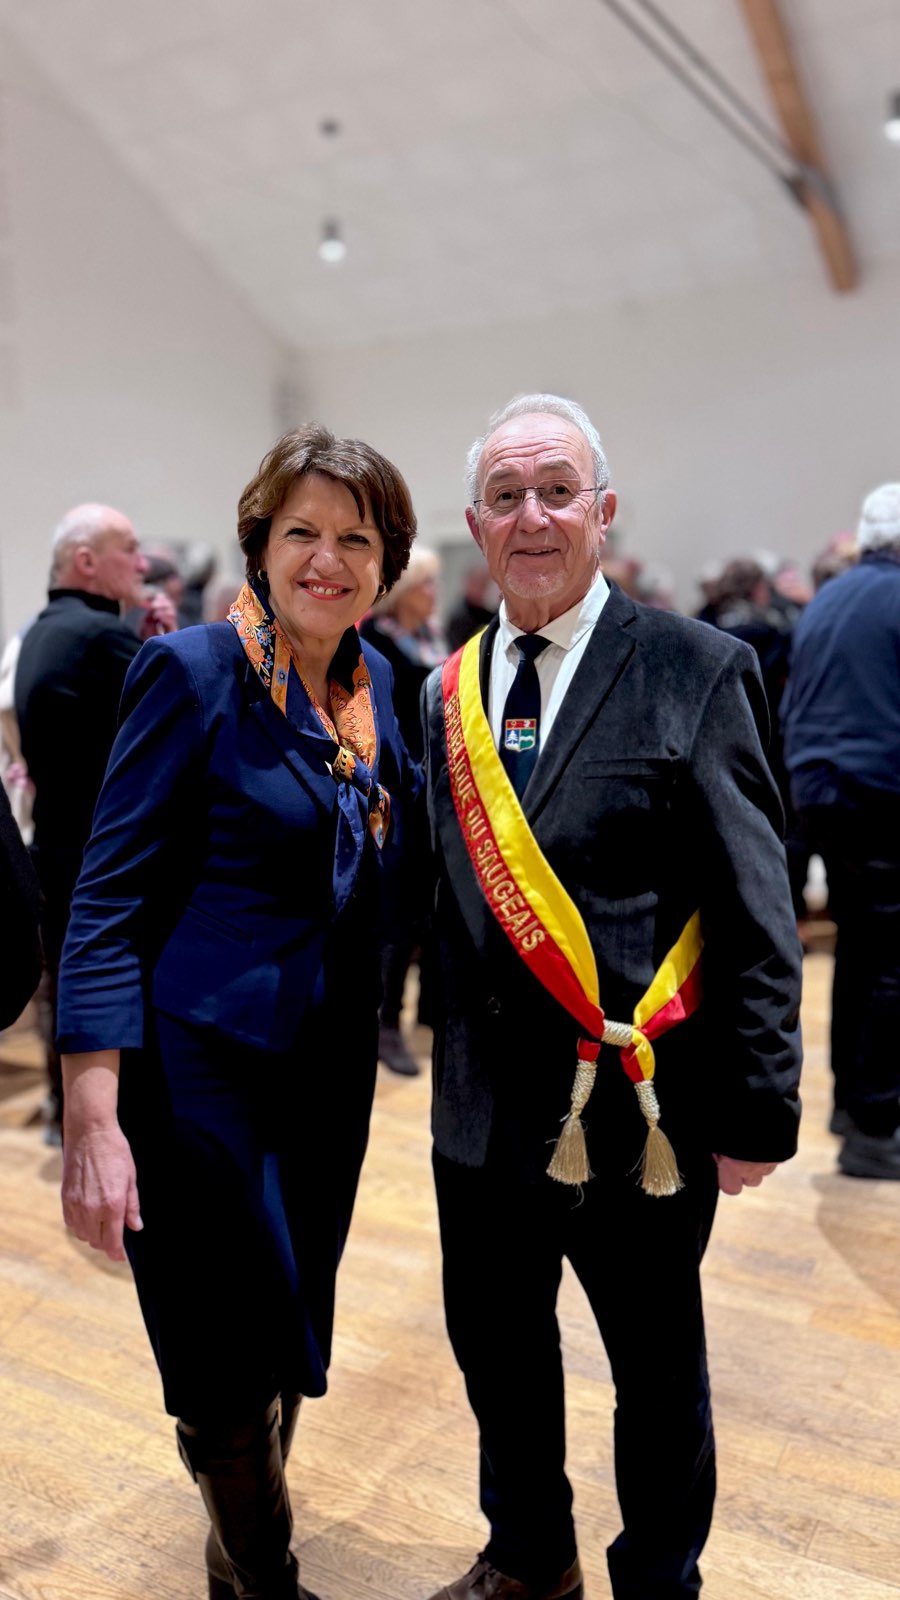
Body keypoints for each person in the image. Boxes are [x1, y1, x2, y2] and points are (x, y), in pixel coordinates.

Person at [422, 394, 802, 1600]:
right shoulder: (447, 691)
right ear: (476, 524)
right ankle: (529, 1555)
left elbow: (757, 905)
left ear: (604, 511)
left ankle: (659, 1577)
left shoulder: (698, 665)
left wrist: (758, 1104)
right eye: (506, 496)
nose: (532, 517)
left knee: (655, 1371)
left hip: (636, 1112)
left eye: (557, 490)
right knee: (498, 1352)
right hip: (481, 1110)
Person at [56, 427, 418, 1600]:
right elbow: (106, 895)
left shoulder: (378, 688)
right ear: (260, 543)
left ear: (387, 561)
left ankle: (233, 1555)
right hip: (197, 1074)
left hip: (325, 1071)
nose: (328, 558)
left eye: (355, 538)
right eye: (302, 530)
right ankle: (265, 1574)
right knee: (220, 1344)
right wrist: (93, 1113)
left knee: (288, 1320)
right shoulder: (192, 672)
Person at [14, 505, 177, 1141]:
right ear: (86, 561)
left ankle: (66, 1111)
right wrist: (164, 643)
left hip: (58, 848)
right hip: (104, 856)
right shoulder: (101, 638)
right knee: (112, 990)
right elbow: (181, 715)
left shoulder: (42, 630)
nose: (142, 563)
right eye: (128, 549)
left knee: (67, 983)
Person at [782, 483, 900, 1179]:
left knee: (861, 949)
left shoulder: (830, 597)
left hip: (821, 795)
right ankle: (875, 1128)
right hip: (879, 795)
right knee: (888, 961)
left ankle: (852, 1108)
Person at [361, 548, 446, 1074]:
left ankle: (427, 1012)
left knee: (426, 909)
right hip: (393, 791)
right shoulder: (376, 641)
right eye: (427, 584)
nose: (435, 594)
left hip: (436, 788)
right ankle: (385, 1022)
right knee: (396, 912)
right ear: (406, 590)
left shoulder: (432, 637)